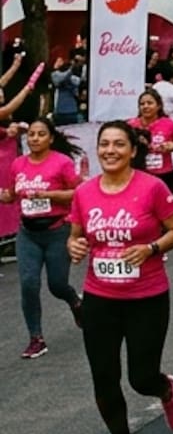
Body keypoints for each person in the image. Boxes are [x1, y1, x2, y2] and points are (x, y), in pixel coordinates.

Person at [66, 120, 173, 434]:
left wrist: (150, 248)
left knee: (141, 376)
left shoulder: (151, 188)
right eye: (104, 144)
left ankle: (165, 389)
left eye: (119, 144)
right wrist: (74, 246)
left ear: (133, 150)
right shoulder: (85, 192)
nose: (110, 151)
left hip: (146, 296)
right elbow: (77, 237)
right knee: (103, 376)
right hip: (100, 297)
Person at [3, 116, 83, 358]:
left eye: (40, 134)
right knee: (29, 284)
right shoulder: (18, 164)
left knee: (57, 285)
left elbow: (77, 193)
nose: (35, 139)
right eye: (31, 135)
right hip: (28, 233)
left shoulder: (62, 163)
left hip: (57, 231)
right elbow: (10, 195)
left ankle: (75, 301)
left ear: (50, 138)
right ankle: (35, 338)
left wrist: (47, 194)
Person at [130, 88, 173, 193]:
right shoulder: (131, 125)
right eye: (142, 104)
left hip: (164, 174)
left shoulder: (169, 124)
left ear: (159, 106)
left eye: (150, 103)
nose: (145, 106)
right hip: (139, 174)